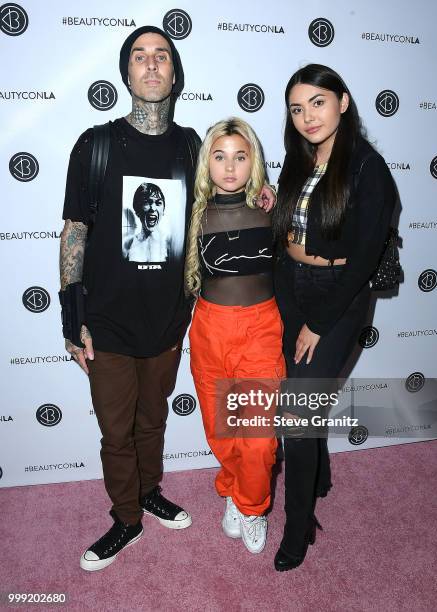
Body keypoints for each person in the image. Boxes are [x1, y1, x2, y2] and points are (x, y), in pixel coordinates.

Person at [59, 25, 199, 572]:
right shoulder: (95, 144)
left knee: (152, 422)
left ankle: (147, 491)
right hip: (108, 321)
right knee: (116, 430)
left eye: (161, 56)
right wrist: (73, 320)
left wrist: (261, 195)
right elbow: (75, 233)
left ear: (173, 72)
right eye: (139, 57)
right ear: (126, 74)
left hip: (167, 320)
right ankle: (126, 519)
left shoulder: (192, 146)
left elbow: (222, 200)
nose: (150, 65)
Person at [272, 64, 396, 571]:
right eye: (297, 108)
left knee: (297, 417)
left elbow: (364, 260)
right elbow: (287, 230)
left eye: (317, 103)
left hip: (338, 296)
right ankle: (318, 476)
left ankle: (298, 525)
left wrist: (318, 321)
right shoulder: (297, 160)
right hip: (293, 289)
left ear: (342, 102)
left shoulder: (369, 168)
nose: (307, 117)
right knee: (304, 391)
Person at [185, 118, 285, 554]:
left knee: (259, 437)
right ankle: (232, 484)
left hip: (261, 327)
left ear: (254, 161)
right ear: (208, 161)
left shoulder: (271, 208)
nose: (230, 167)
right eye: (220, 156)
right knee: (220, 428)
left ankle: (252, 505)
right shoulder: (192, 215)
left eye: (240, 157)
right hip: (209, 327)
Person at [124, 182, 170, 262]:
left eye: (158, 203)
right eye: (147, 203)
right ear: (137, 210)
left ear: (163, 210)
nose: (153, 208)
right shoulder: (127, 245)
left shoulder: (170, 245)